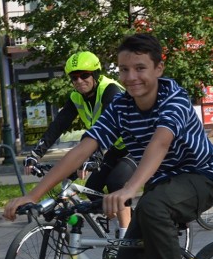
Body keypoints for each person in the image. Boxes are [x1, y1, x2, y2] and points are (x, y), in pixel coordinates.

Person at [3, 33, 213, 259]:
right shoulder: (120, 106)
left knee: (152, 208)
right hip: (163, 185)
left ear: (159, 68)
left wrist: (130, 188)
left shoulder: (173, 98)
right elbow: (82, 149)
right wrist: (35, 195)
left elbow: (159, 145)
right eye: (124, 69)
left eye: (140, 68)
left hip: (201, 178)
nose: (132, 77)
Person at [22, 51, 135, 237]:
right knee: (93, 189)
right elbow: (58, 125)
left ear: (96, 74)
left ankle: (126, 238)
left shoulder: (110, 90)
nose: (79, 81)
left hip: (133, 146)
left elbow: (108, 125)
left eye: (84, 75)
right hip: (113, 148)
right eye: (74, 78)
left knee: (116, 183)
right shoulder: (76, 97)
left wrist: (95, 157)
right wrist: (35, 154)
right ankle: (129, 220)